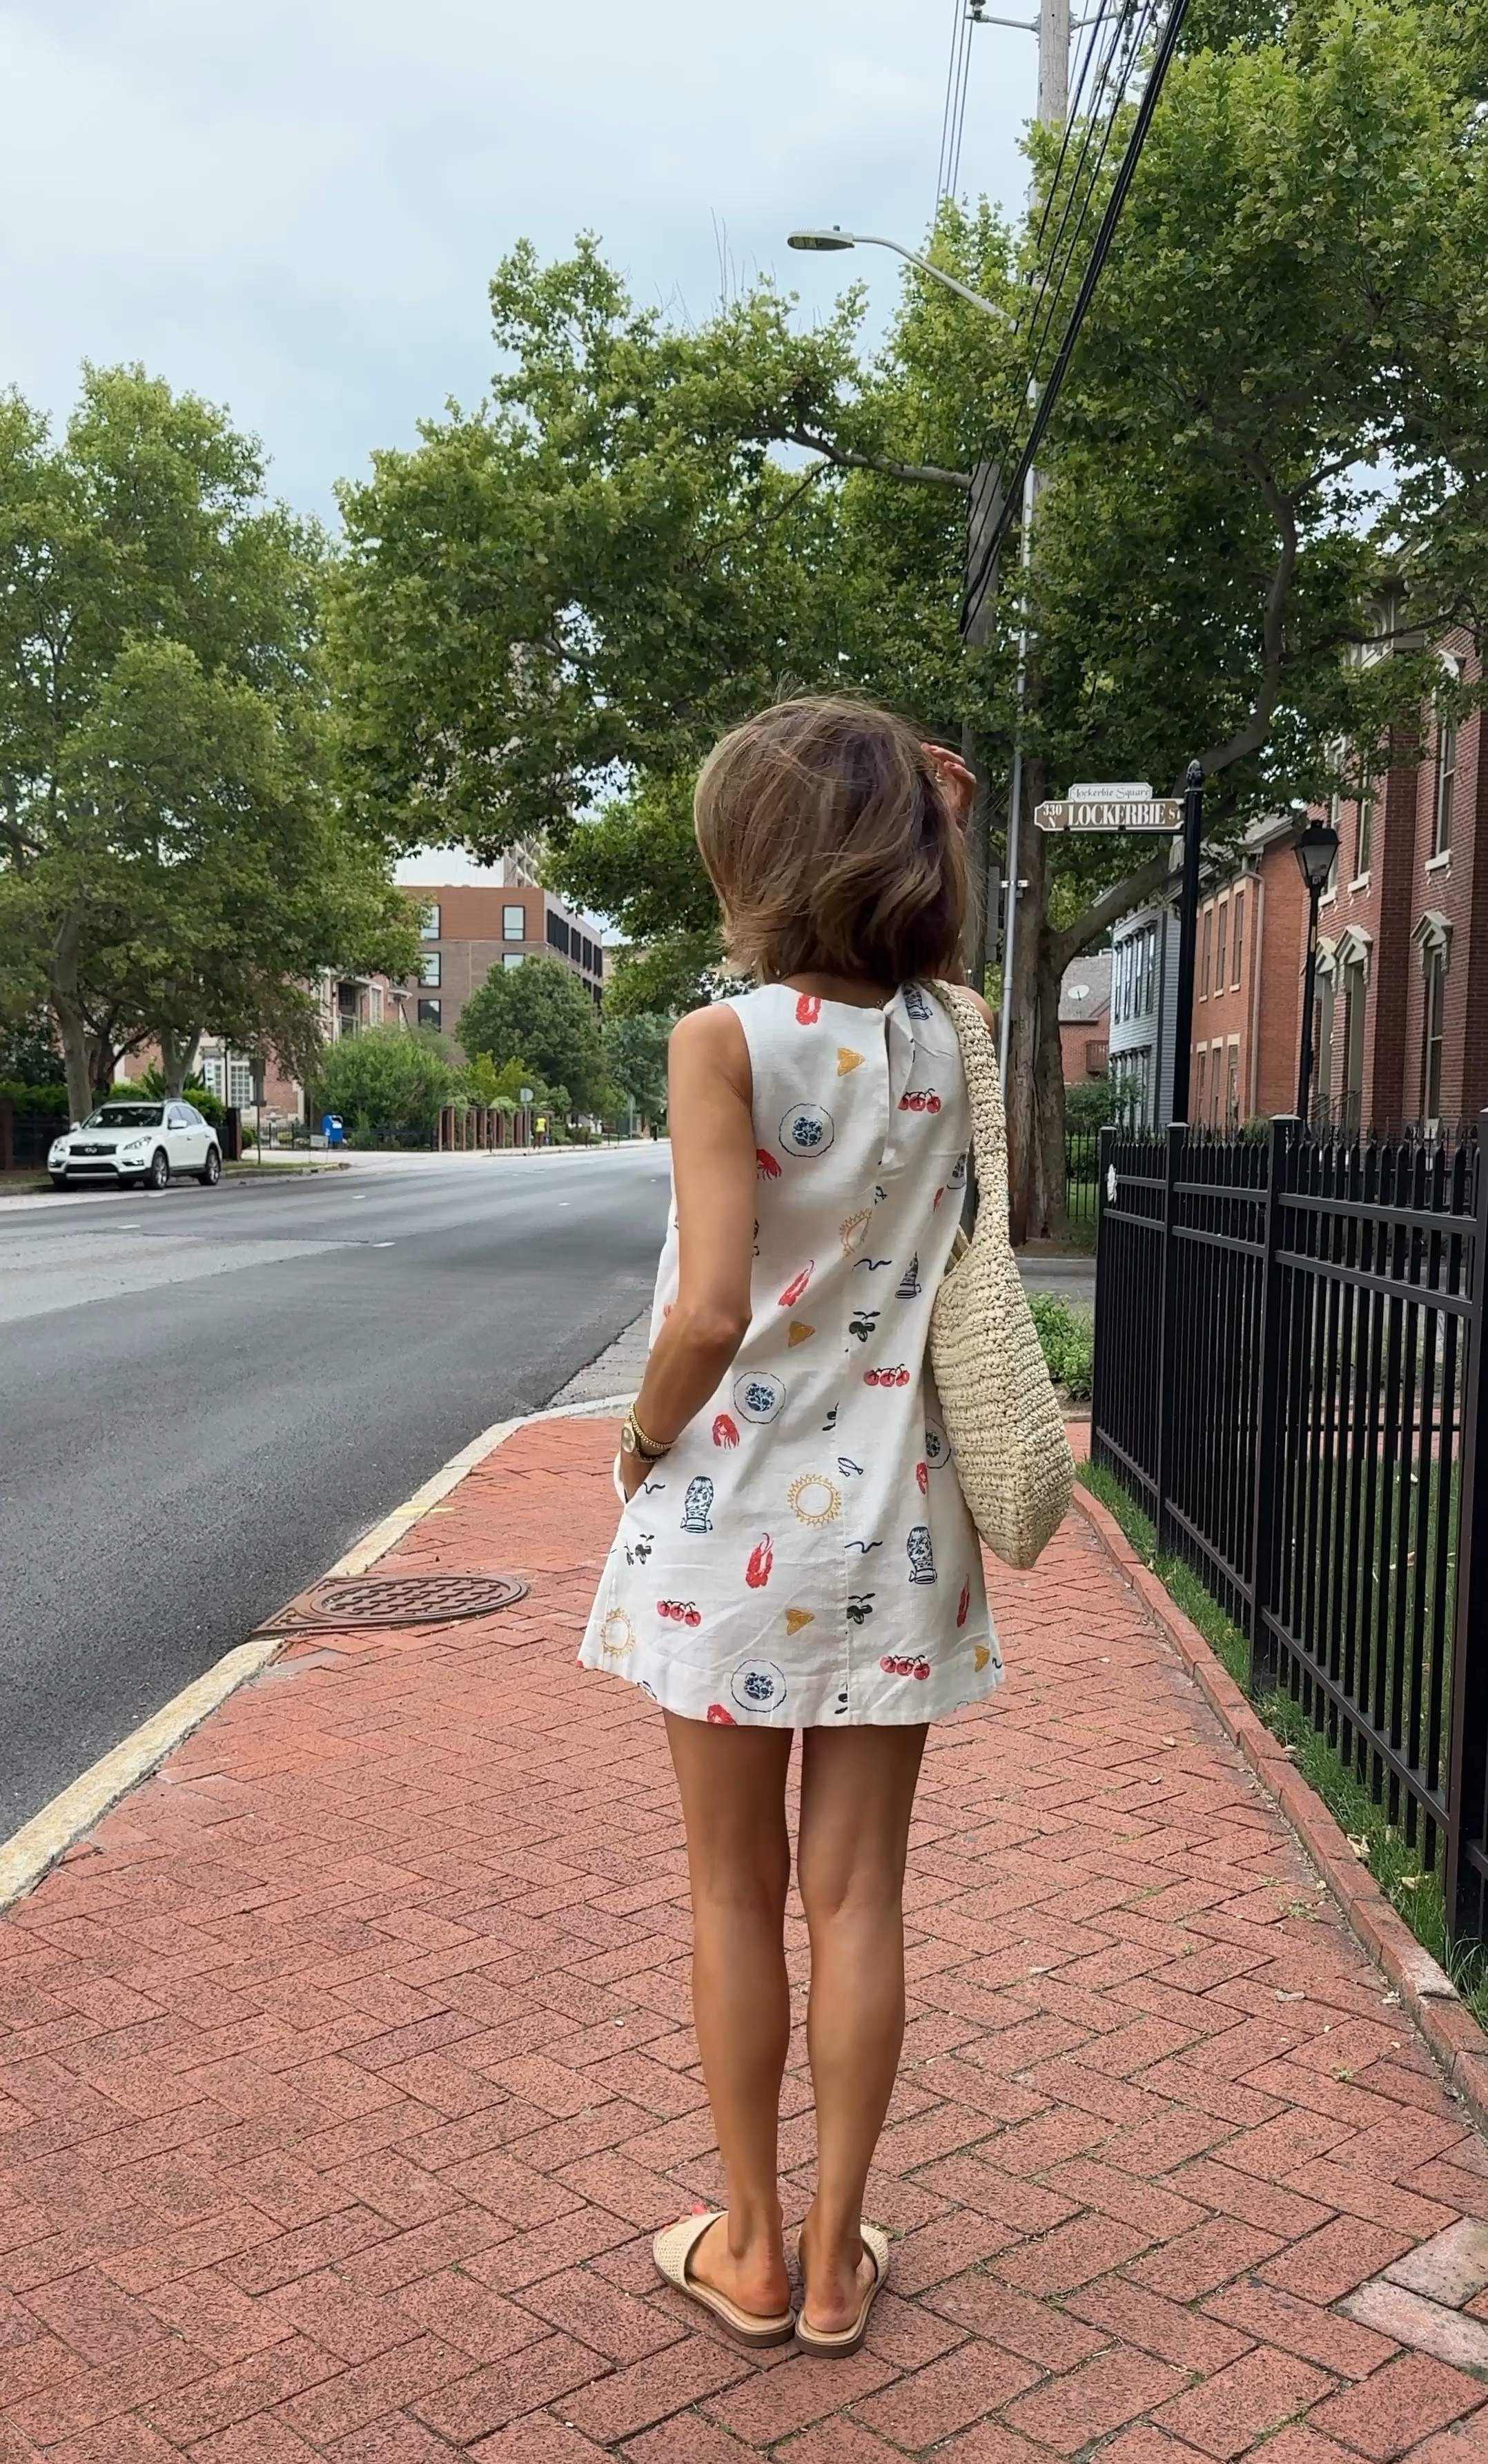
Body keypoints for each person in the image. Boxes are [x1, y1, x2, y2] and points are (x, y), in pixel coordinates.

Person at [579, 695, 1001, 2355]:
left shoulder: (723, 1041)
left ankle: (747, 2247)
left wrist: (630, 1446)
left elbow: (699, 1316)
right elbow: (938, 923)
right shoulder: (951, 1038)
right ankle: (838, 2265)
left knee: (726, 1893)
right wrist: (937, 812)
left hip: (731, 1519)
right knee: (859, 1898)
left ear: (749, 854)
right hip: (898, 1523)